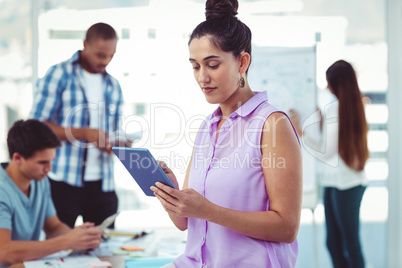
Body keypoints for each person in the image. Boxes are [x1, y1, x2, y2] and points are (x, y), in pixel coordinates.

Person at [150, 0, 303, 267]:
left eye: (212, 64)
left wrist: (208, 211)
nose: (202, 78)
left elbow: (286, 227)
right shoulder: (207, 127)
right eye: (195, 66)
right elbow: (186, 223)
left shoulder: (272, 125)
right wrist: (171, 193)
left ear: (242, 62)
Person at [29, 22, 127, 228]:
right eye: (101, 55)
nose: (106, 61)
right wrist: (83, 133)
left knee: (106, 251)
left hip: (103, 184)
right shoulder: (59, 74)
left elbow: (116, 130)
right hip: (63, 183)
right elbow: (35, 126)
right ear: (85, 44)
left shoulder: (114, 85)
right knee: (59, 251)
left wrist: (116, 144)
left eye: (111, 55)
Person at [290, 60, 369, 268]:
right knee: (340, 243)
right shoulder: (353, 106)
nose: (326, 87)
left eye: (329, 82)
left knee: (344, 243)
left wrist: (301, 133)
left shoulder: (337, 109)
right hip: (344, 182)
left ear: (336, 83)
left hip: (344, 184)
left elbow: (326, 153)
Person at [0, 120, 103, 267]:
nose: (49, 169)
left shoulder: (40, 181)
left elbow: (53, 226)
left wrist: (81, 238)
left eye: (51, 161)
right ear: (17, 158)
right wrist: (67, 241)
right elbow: (3, 253)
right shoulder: (2, 190)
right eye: (42, 162)